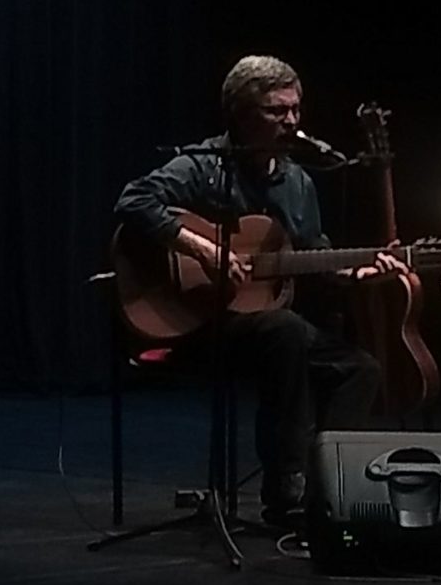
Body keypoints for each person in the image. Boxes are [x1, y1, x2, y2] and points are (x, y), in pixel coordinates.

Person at [115, 55, 404, 523]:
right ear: (242, 114)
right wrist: (201, 249)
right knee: (285, 330)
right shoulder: (203, 166)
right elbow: (133, 201)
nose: (291, 121)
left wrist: (358, 274)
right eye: (276, 111)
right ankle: (284, 489)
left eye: (295, 109)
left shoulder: (298, 182)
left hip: (263, 332)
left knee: (360, 369)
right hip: (195, 325)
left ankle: (328, 487)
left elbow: (316, 256)